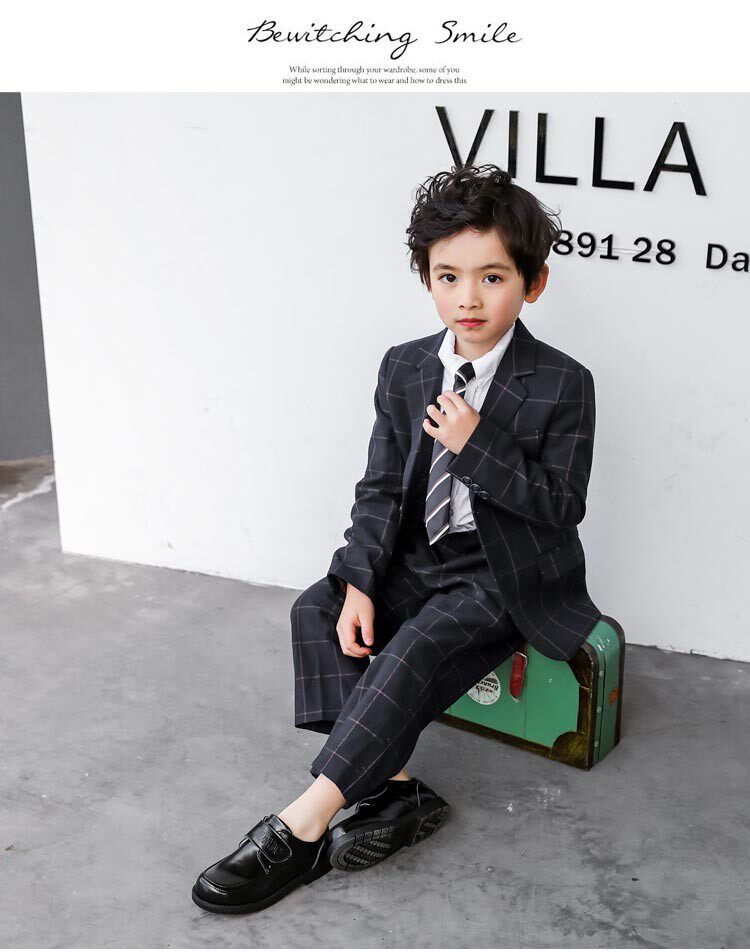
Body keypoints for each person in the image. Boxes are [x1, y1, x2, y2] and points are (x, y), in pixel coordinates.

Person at [192, 163, 601, 914]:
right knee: (316, 612)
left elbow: (561, 507)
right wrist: (359, 581)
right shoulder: (406, 365)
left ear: (534, 283)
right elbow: (381, 485)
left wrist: (478, 446)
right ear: (427, 279)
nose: (468, 298)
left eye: (492, 278)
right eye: (448, 277)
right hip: (420, 553)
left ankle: (304, 823)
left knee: (415, 646)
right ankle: (399, 792)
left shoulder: (562, 382)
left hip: (503, 571)